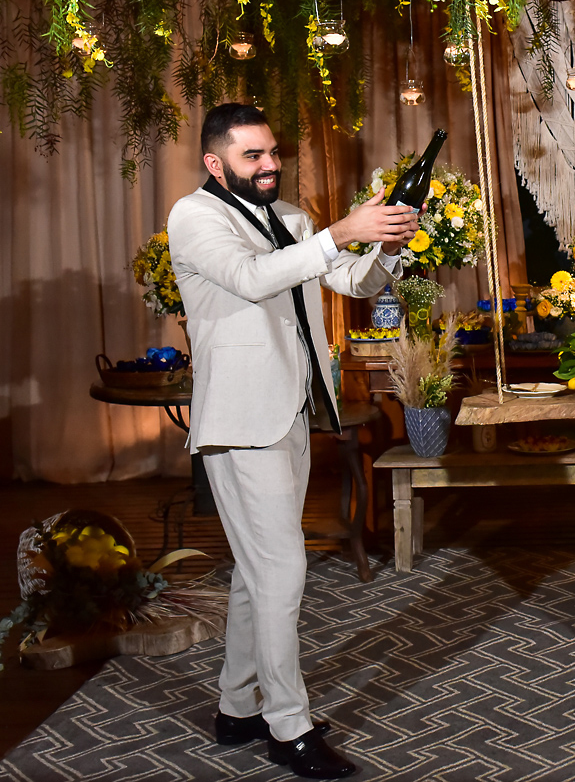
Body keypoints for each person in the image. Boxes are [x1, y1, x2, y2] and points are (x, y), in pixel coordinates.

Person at [168, 103, 419, 779]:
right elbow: (251, 279)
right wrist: (343, 229)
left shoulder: (293, 218)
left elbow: (353, 281)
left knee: (259, 575)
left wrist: (384, 243)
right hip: (241, 420)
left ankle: (234, 707)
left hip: (294, 412)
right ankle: (288, 725)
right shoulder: (194, 216)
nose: (271, 163)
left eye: (273, 151)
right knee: (283, 570)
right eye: (253, 155)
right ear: (215, 164)